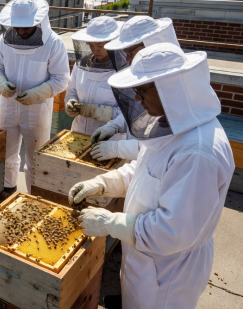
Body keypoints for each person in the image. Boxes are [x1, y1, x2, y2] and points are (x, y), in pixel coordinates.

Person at [68, 43, 234, 309]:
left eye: (142, 90)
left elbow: (171, 231)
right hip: (145, 260)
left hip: (168, 274)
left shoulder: (198, 152)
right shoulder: (169, 123)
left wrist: (110, 222)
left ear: (170, 88)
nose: (136, 99)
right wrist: (101, 184)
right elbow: (143, 171)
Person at [0, 0, 70, 193]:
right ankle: (7, 190)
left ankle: (33, 197)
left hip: (37, 110)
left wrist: (37, 93)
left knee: (36, 158)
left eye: (27, 27)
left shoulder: (54, 44)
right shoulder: (3, 41)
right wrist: (0, 82)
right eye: (18, 27)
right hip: (8, 106)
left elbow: (61, 78)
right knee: (6, 153)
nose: (21, 31)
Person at [89, 16, 180, 162]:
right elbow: (142, 115)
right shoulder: (151, 79)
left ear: (150, 47)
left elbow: (160, 146)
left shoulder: (172, 88)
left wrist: (118, 149)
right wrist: (115, 125)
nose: (127, 59)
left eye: (131, 53)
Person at [65, 17, 125, 136]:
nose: (94, 50)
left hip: (109, 138)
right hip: (79, 131)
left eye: (100, 46)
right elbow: (72, 91)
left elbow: (130, 114)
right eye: (91, 45)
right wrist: (71, 103)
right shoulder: (82, 65)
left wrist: (96, 112)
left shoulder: (125, 72)